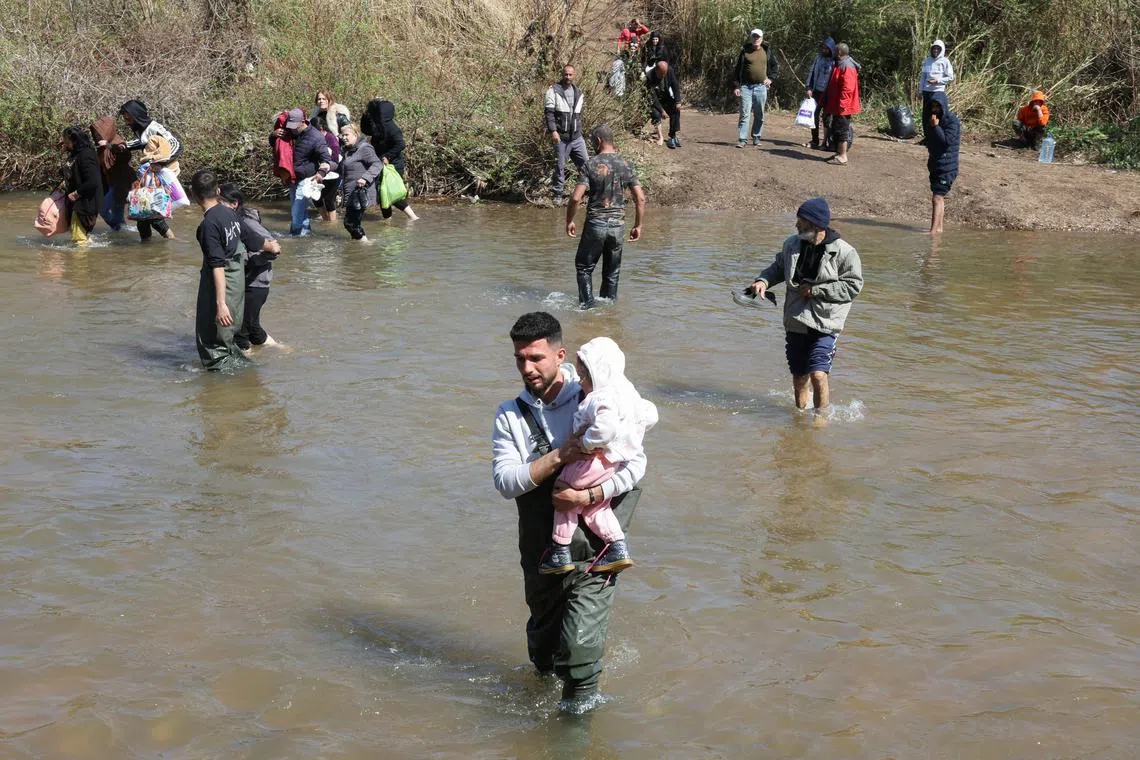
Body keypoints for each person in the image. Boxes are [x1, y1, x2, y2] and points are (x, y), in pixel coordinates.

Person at [492, 311, 646, 711]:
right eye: (519, 359)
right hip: (543, 547)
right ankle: (542, 702)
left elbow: (637, 464)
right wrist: (564, 454)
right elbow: (506, 482)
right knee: (544, 651)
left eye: (536, 358)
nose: (527, 368)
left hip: (598, 547)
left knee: (579, 654)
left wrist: (588, 494)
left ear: (560, 355)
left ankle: (574, 734)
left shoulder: (600, 395)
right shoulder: (510, 415)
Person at [538, 337, 658, 576]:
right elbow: (651, 414)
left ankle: (560, 549)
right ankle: (616, 546)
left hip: (591, 460)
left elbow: (606, 428)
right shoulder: (629, 396)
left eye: (584, 378)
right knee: (598, 508)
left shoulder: (601, 397)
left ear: (599, 374)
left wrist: (586, 442)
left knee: (563, 492)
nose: (581, 384)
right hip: (612, 465)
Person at [746, 198, 864, 411]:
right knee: (800, 377)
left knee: (818, 375)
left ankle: (820, 419)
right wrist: (763, 281)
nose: (797, 225)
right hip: (795, 319)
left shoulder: (845, 252)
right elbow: (779, 267)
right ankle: (801, 420)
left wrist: (817, 290)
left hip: (826, 322)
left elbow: (853, 287)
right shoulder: (791, 244)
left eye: (802, 221)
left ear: (817, 225)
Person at [191, 168, 265, 372]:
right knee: (228, 337)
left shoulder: (209, 224)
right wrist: (270, 245)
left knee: (213, 344)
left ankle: (226, 390)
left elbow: (217, 265)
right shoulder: (229, 213)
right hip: (236, 281)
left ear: (194, 194)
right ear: (218, 190)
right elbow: (250, 237)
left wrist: (220, 303)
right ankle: (247, 377)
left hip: (222, 285)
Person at [566, 125, 646, 308]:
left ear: (599, 141)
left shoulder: (591, 164)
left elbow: (576, 197)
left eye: (593, 141)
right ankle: (609, 314)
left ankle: (587, 309)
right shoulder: (626, 165)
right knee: (612, 273)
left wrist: (569, 220)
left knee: (584, 268)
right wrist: (638, 225)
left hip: (596, 223)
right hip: (617, 226)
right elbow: (640, 198)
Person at [218, 183, 283, 351]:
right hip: (244, 282)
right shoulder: (229, 221)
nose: (217, 205)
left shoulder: (247, 222)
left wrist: (249, 262)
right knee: (250, 327)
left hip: (256, 283)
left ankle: (248, 368)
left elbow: (274, 248)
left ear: (234, 204)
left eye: (221, 201)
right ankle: (279, 350)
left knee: (243, 328)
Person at [116, 100, 181, 242]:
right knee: (141, 214)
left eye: (128, 118)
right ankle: (146, 246)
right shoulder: (141, 129)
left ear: (136, 115)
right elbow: (143, 142)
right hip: (151, 177)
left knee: (152, 213)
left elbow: (176, 144)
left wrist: (160, 162)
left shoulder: (154, 128)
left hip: (164, 176)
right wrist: (124, 146)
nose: (126, 121)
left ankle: (172, 239)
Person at [270, 107, 332, 236]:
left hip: (307, 179)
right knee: (300, 212)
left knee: (296, 211)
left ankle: (295, 237)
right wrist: (273, 135)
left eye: (294, 126)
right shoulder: (291, 132)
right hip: (294, 178)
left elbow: (326, 159)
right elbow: (276, 144)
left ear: (303, 121)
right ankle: (306, 237)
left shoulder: (316, 137)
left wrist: (321, 173)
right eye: (290, 125)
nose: (292, 128)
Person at [360, 99, 420, 221]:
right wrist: (365, 116)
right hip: (380, 163)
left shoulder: (392, 128)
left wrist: (387, 156)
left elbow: (400, 144)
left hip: (393, 165)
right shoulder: (378, 126)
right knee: (383, 193)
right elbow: (366, 130)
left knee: (391, 192)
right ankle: (387, 221)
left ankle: (413, 217)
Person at [543, 65, 588, 206]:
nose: (568, 77)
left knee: (586, 165)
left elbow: (578, 115)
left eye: (570, 75)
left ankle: (586, 192)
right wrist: (553, 131)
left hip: (576, 137)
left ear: (574, 75)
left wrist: (579, 131)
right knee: (560, 166)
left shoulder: (578, 92)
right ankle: (557, 194)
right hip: (561, 137)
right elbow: (549, 114)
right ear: (562, 74)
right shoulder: (553, 91)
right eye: (566, 75)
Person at [733, 29, 779, 148]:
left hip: (761, 87)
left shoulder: (767, 51)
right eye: (754, 36)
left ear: (762, 38)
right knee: (745, 113)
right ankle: (742, 139)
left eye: (758, 37)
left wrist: (770, 79)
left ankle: (756, 137)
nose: (756, 39)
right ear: (751, 38)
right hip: (745, 87)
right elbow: (737, 70)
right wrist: (737, 86)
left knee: (759, 114)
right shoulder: (745, 51)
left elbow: (775, 67)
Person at [338, 123, 383, 241]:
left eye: (347, 135)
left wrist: (365, 178)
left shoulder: (364, 148)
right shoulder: (347, 150)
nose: (344, 138)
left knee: (350, 223)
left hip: (360, 192)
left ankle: (366, 245)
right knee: (353, 222)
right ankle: (357, 248)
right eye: (342, 135)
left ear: (355, 134)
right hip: (350, 192)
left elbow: (377, 164)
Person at [89, 117, 134, 231]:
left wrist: (108, 145)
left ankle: (118, 231)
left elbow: (126, 155)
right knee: (116, 211)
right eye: (95, 134)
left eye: (99, 133)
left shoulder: (118, 142)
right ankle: (121, 233)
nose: (97, 136)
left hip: (122, 183)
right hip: (111, 183)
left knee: (104, 209)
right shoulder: (100, 148)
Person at [60, 126, 102, 247]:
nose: (64, 142)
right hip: (79, 201)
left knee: (79, 239)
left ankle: (80, 264)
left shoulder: (86, 155)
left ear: (73, 140)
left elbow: (93, 181)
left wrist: (76, 193)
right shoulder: (76, 154)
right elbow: (68, 172)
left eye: (65, 140)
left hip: (86, 201)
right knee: (79, 235)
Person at [925, 91, 960, 234]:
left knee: (937, 197)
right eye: (933, 107)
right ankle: (938, 229)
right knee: (938, 196)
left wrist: (935, 127)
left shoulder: (952, 121)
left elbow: (946, 141)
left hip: (948, 167)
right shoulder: (933, 120)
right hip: (936, 165)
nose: (935, 110)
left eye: (938, 107)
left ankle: (932, 232)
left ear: (944, 106)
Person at [824, 42, 860, 166]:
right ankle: (839, 153)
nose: (832, 51)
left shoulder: (847, 65)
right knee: (836, 128)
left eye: (835, 50)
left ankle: (843, 156)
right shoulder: (839, 64)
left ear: (839, 52)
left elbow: (847, 88)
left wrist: (842, 104)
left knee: (842, 130)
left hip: (843, 107)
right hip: (837, 105)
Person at [804, 38, 836, 150]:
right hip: (817, 91)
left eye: (826, 48)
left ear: (831, 49)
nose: (824, 50)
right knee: (814, 116)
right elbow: (812, 72)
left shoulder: (835, 61)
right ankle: (814, 140)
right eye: (823, 47)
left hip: (829, 93)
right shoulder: (818, 57)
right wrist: (809, 87)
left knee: (827, 118)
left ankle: (826, 143)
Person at [919, 40, 955, 139]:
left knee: (937, 114)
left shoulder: (945, 61)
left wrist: (937, 80)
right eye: (934, 48)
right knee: (926, 115)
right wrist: (920, 90)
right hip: (927, 92)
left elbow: (950, 77)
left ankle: (939, 137)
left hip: (938, 92)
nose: (935, 50)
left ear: (941, 50)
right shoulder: (927, 61)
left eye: (937, 49)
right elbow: (923, 77)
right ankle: (927, 138)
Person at [646, 60, 682, 148]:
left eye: (665, 74)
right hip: (654, 101)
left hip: (665, 97)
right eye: (661, 74)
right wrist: (662, 111)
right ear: (656, 70)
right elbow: (652, 97)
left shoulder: (669, 71)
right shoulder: (649, 76)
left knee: (675, 110)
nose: (663, 76)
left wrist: (678, 101)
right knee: (656, 114)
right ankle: (660, 137)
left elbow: (675, 85)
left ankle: (672, 136)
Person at [313, 114, 342, 223]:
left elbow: (336, 155)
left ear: (321, 129)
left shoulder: (330, 137)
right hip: (317, 172)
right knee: (316, 199)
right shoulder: (313, 139)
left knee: (329, 199)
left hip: (333, 172)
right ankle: (326, 220)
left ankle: (333, 222)